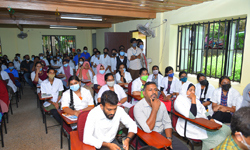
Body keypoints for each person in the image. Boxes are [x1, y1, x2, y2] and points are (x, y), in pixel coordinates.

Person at [174, 82, 230, 150]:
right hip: (190, 124)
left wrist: (210, 118)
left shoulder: (196, 100)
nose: (193, 92)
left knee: (227, 129)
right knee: (219, 137)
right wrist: (193, 99)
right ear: (184, 90)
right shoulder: (179, 101)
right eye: (190, 90)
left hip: (203, 120)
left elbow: (203, 110)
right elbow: (192, 116)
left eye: (194, 90)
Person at [134, 82, 189, 150]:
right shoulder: (138, 107)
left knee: (184, 149)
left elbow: (167, 123)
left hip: (162, 134)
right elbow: (147, 129)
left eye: (155, 90)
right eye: (150, 90)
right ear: (144, 93)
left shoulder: (161, 104)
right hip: (146, 136)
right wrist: (154, 109)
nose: (154, 92)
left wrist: (169, 139)